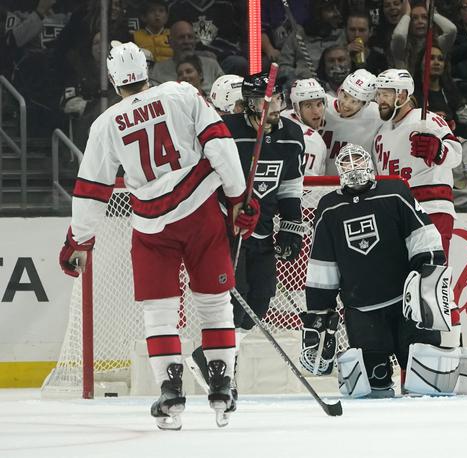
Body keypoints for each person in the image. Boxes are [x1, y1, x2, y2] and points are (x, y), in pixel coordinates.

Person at [57, 42, 259, 429]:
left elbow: (91, 189)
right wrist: (239, 198)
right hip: (201, 214)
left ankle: (170, 390)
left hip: (151, 226)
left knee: (159, 311)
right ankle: (220, 384)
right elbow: (219, 144)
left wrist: (78, 241)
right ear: (147, 69)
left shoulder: (105, 123)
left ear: (115, 80)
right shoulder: (182, 93)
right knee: (215, 304)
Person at [301, 144, 467, 398]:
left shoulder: (394, 192)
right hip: (363, 313)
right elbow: (322, 265)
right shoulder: (329, 207)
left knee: (428, 388)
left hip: (407, 308)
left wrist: (426, 278)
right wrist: (319, 312)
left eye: (358, 162)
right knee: (373, 391)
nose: (354, 169)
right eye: (347, 164)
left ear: (370, 165)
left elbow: (423, 236)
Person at [192, 71, 306, 403]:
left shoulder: (292, 134)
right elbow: (205, 179)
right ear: (248, 103)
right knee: (234, 298)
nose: (271, 109)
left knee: (260, 299)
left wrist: (291, 224)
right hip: (226, 230)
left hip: (263, 228)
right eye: (262, 102)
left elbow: (289, 185)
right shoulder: (226, 132)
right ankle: (221, 365)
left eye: (277, 102)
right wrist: (228, 207)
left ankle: (211, 355)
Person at [373, 68, 462, 256]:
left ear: (403, 94)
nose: (380, 100)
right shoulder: (380, 134)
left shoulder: (427, 119)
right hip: (397, 212)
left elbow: (456, 154)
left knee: (432, 275)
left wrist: (438, 150)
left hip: (432, 208)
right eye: (379, 94)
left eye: (386, 94)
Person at [320, 68, 383, 174]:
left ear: (365, 104)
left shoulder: (376, 115)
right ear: (340, 90)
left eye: (354, 101)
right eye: (345, 96)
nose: (346, 104)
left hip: (356, 184)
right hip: (319, 182)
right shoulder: (320, 105)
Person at [149, 21, 224, 94]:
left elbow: (226, 90)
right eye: (181, 37)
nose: (186, 41)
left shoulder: (211, 65)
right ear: (170, 41)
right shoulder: (158, 70)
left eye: (190, 37)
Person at [284, 78, 328, 176]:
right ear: (297, 108)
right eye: (308, 106)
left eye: (319, 104)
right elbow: (307, 186)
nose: (316, 111)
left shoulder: (282, 116)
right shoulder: (311, 141)